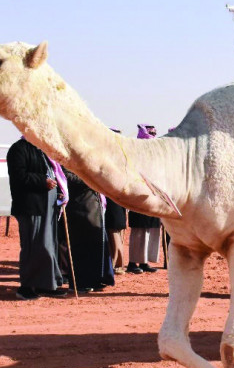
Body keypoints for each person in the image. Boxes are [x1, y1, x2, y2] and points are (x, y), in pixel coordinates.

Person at [7, 137, 67, 300]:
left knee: (48, 245)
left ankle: (47, 284)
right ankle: (26, 287)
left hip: (48, 206)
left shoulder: (43, 150)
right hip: (30, 207)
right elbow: (18, 176)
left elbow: (53, 174)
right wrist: (43, 181)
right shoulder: (18, 149)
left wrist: (57, 191)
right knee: (32, 246)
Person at [59, 168, 115, 292]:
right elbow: (67, 177)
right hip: (79, 208)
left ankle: (94, 279)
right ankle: (79, 283)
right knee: (80, 247)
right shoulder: (67, 162)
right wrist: (89, 180)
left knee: (94, 247)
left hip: (94, 208)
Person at [127, 124, 162, 273]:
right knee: (139, 231)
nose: (153, 135)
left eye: (154, 133)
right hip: (139, 197)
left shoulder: (155, 155)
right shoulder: (134, 154)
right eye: (150, 133)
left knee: (150, 231)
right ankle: (132, 263)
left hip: (153, 198)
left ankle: (144, 262)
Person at [105, 129, 128, 274]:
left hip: (118, 198)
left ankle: (117, 264)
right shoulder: (105, 155)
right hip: (109, 197)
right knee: (113, 230)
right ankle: (114, 264)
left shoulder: (120, 156)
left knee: (116, 229)